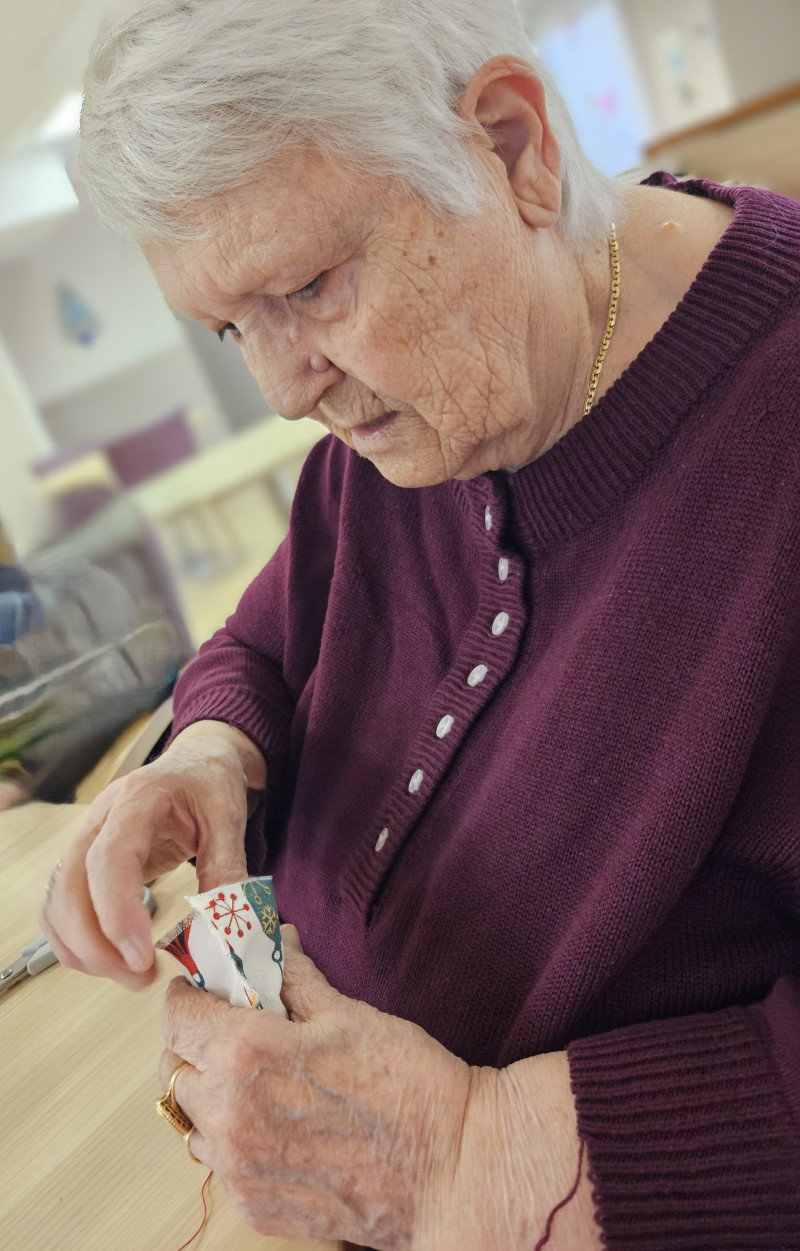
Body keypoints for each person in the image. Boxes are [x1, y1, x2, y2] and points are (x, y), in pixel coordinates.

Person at [41, 1, 800, 1247]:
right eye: (231, 328)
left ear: (511, 149)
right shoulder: (422, 407)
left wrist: (477, 1157)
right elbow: (267, 641)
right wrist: (206, 758)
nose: (283, 390)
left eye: (306, 285)